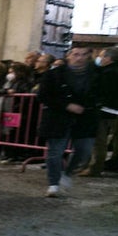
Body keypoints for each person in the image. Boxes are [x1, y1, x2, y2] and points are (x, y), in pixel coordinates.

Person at [38, 45, 99, 196]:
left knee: (84, 150)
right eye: (76, 54)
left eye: (84, 54)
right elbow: (43, 95)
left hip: (85, 118)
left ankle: (68, 172)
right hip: (58, 118)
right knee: (55, 152)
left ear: (88, 56)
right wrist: (66, 105)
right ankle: (53, 184)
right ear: (69, 56)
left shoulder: (97, 74)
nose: (79, 58)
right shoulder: (54, 74)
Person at [83, 47, 117, 177]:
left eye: (102, 56)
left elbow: (101, 92)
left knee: (99, 141)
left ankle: (95, 168)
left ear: (108, 58)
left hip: (103, 110)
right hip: (113, 110)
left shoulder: (107, 73)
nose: (100, 58)